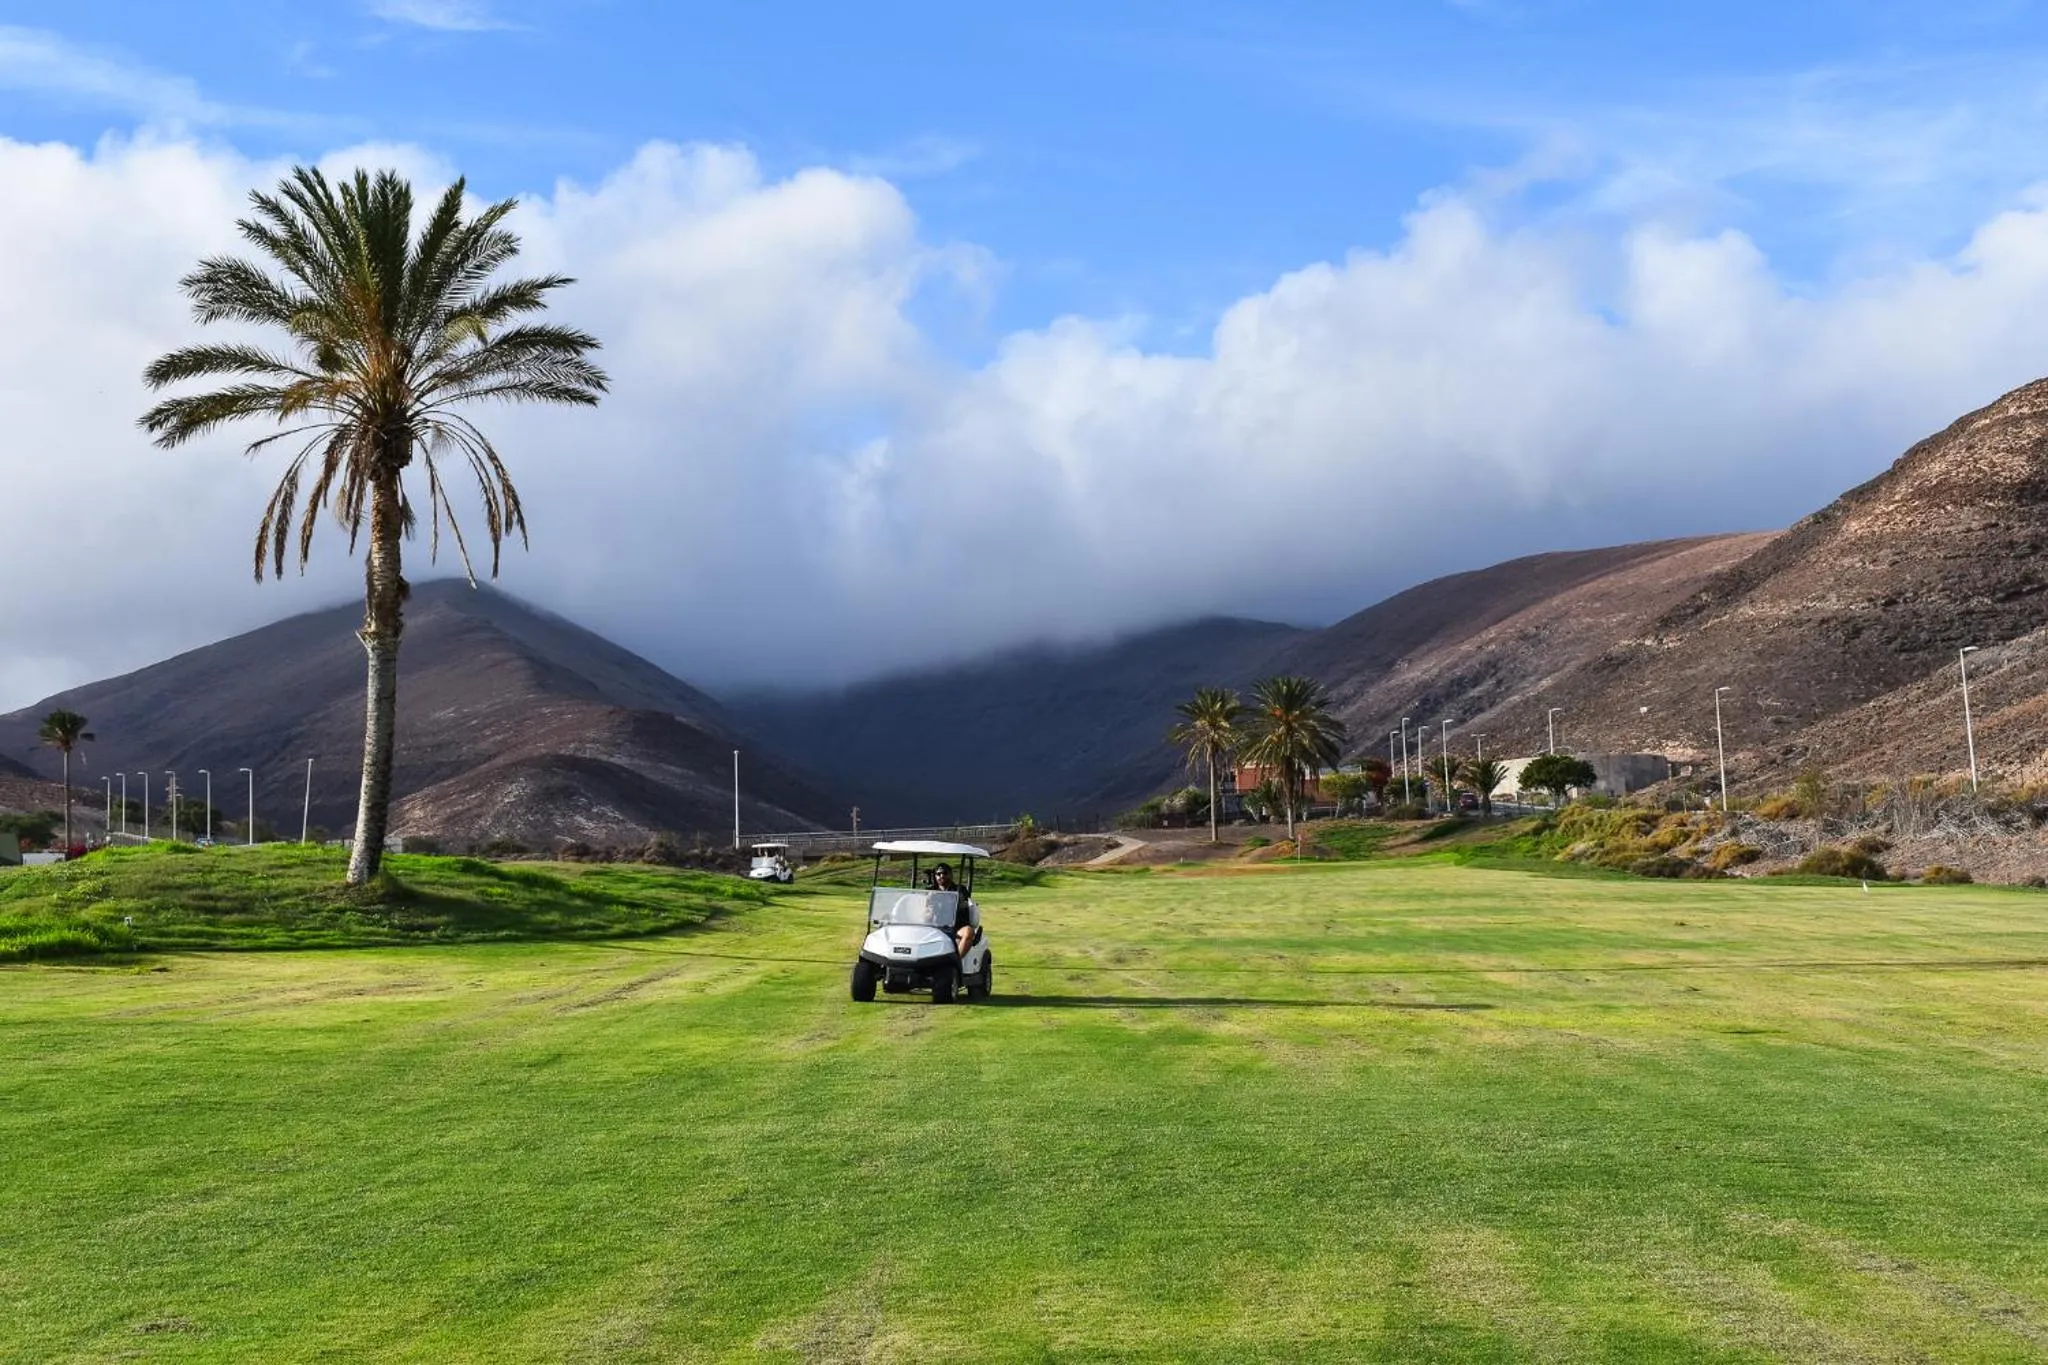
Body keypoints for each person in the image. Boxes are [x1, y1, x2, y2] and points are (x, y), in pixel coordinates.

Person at [929, 863, 975, 957]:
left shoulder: (960, 890)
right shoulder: (930, 890)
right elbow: (924, 911)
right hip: (935, 926)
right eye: (938, 874)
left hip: (956, 926)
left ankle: (956, 961)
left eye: (945, 873)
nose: (942, 876)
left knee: (968, 932)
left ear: (951, 874)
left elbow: (963, 906)